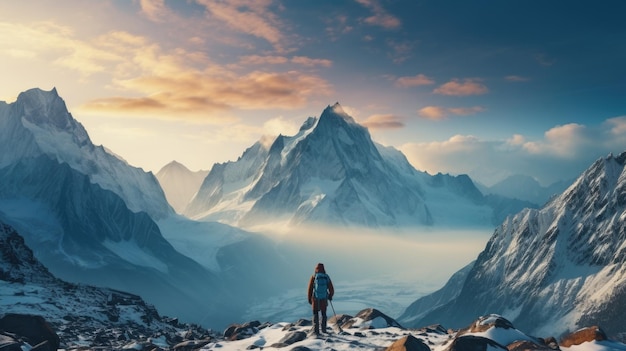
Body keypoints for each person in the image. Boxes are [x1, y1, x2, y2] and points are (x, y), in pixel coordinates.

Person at [307, 262, 335, 335]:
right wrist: (330, 296)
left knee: (315, 314)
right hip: (324, 299)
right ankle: (324, 330)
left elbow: (310, 289)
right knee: (323, 314)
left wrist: (309, 299)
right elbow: (331, 289)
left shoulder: (314, 276)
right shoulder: (326, 277)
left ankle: (316, 331)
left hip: (315, 299)